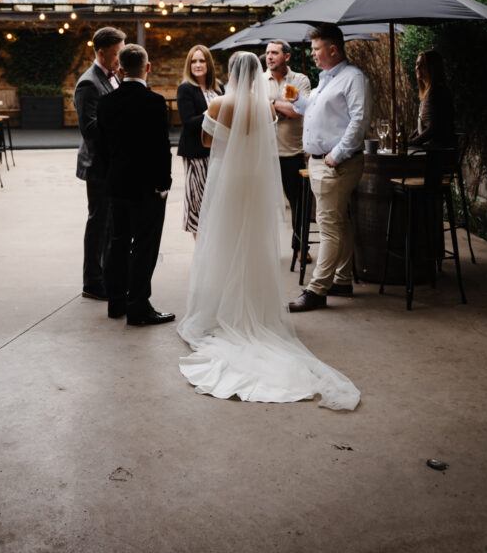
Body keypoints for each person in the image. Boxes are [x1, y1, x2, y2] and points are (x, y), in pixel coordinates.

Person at [177, 51, 360, 408]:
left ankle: (222, 312)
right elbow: (264, 145)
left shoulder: (217, 105)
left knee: (224, 243)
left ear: (231, 72)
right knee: (253, 245)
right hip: (255, 183)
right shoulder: (265, 108)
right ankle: (256, 312)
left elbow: (207, 143)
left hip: (228, 182)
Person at [288, 24, 372, 311]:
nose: (312, 55)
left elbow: (359, 121)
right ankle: (343, 278)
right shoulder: (326, 78)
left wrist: (337, 154)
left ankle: (317, 289)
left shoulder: (353, 78)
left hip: (336, 163)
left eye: (316, 50)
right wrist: (299, 102)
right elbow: (315, 110)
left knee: (328, 226)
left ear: (333, 50)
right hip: (322, 162)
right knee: (339, 222)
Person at [97, 44, 174, 327]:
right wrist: (163, 184)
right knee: (144, 246)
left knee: (117, 243)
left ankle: (116, 303)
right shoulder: (154, 102)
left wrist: (109, 180)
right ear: (148, 68)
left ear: (119, 69)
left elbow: (101, 149)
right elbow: (160, 148)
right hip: (147, 189)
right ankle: (138, 307)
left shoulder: (106, 103)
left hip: (117, 186)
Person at [74, 26, 126, 301]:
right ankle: (92, 282)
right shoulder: (88, 83)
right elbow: (90, 129)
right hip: (98, 165)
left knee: (110, 224)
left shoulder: (113, 78)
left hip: (113, 164)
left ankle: (106, 275)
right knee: (98, 223)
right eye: (117, 53)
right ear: (102, 52)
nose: (120, 59)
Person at [263, 39, 311, 256]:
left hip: (292, 151)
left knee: (297, 202)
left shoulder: (299, 80)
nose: (269, 57)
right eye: (267, 53)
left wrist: (272, 105)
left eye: (274, 53)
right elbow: (255, 110)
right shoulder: (259, 80)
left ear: (287, 57)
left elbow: (299, 111)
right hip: (264, 154)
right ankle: (266, 249)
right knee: (263, 204)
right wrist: (283, 108)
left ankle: (300, 247)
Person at [176, 45, 224, 237]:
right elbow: (188, 123)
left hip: (217, 153)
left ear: (208, 64)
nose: (197, 64)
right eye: (194, 61)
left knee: (215, 201)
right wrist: (211, 112)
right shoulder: (186, 88)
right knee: (199, 202)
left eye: (201, 60)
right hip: (196, 154)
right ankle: (201, 256)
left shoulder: (218, 88)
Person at [409, 49, 456, 149]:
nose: (417, 67)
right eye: (417, 64)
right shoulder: (428, 92)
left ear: (433, 67)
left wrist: (411, 143)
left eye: (422, 65)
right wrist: (409, 140)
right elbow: (424, 125)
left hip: (436, 154)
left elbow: (433, 128)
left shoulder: (436, 92)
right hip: (431, 150)